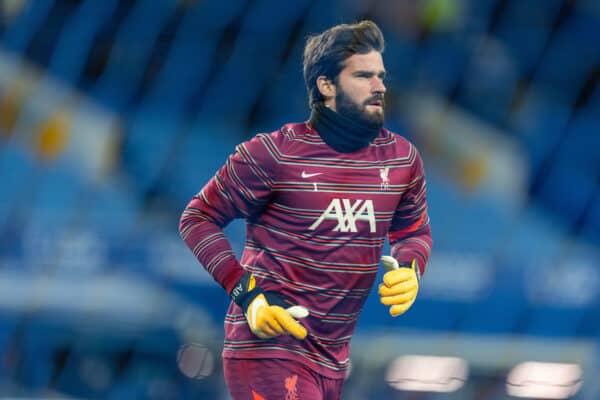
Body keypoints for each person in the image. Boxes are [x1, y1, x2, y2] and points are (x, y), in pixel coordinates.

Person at [179, 20, 432, 400]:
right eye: (364, 76)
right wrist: (248, 295)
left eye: (381, 75)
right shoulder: (273, 153)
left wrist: (412, 268)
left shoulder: (401, 159)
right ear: (326, 85)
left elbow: (413, 232)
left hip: (332, 359)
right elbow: (197, 218)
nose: (380, 86)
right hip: (268, 348)